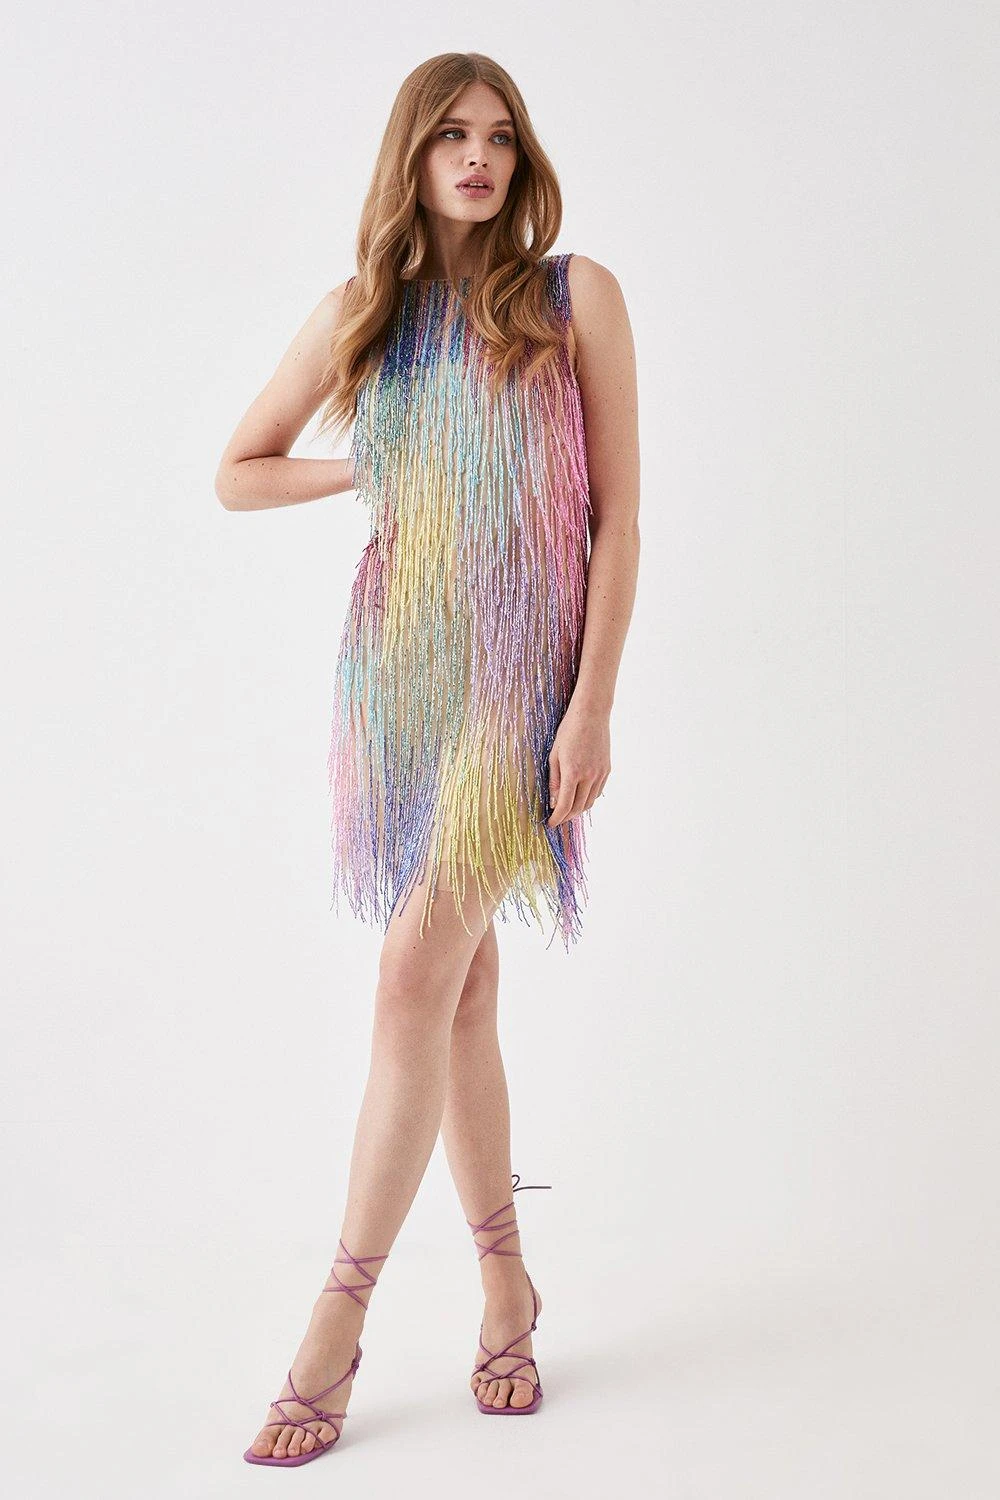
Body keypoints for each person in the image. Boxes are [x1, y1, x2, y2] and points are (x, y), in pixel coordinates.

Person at [215, 51, 640, 1468]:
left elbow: (620, 523)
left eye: (500, 137)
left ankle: (336, 1318)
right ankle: (509, 1288)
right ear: (411, 156)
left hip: (522, 694)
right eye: (452, 135)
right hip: (401, 685)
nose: (479, 158)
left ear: (523, 160)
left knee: (411, 975)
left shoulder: (573, 298)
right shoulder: (364, 315)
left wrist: (591, 706)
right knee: (458, 1000)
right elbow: (238, 470)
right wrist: (367, 468)